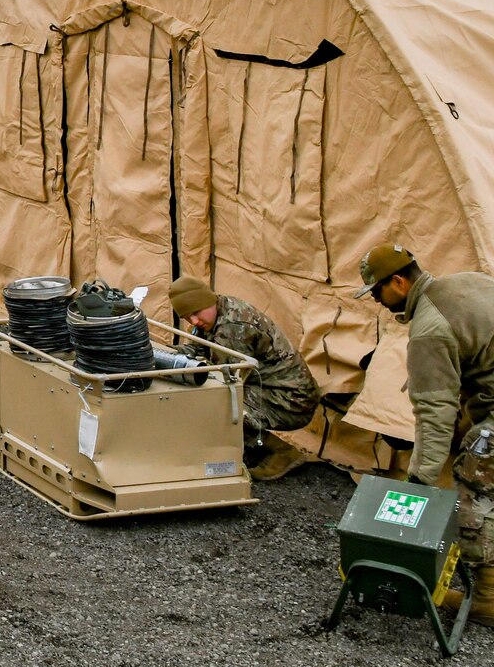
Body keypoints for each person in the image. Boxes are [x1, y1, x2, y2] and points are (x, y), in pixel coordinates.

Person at [358, 244, 494, 625]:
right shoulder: (469, 281)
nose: (375, 300)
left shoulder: (429, 330)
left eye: (376, 291)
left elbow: (435, 415)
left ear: (398, 282)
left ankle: (487, 600)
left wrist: (418, 480)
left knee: (475, 495)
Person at [168, 277, 323, 480]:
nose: (194, 322)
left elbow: (227, 380)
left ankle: (284, 452)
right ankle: (248, 444)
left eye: (196, 313)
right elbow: (195, 349)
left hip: (292, 400)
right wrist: (166, 353)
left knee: (217, 404)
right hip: (271, 388)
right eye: (188, 318)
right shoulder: (216, 314)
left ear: (207, 301)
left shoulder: (233, 327)